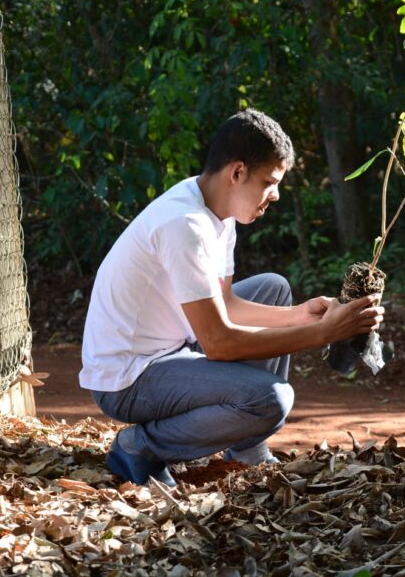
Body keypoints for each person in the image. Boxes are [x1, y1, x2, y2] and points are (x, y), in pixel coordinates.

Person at [79, 109, 384, 486]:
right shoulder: (184, 224)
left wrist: (303, 316)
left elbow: (226, 303)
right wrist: (323, 334)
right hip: (127, 377)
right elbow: (219, 342)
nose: (275, 195)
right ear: (237, 173)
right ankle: (140, 446)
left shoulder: (216, 211)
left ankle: (245, 448)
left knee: (274, 288)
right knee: (271, 400)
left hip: (171, 347)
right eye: (270, 182)